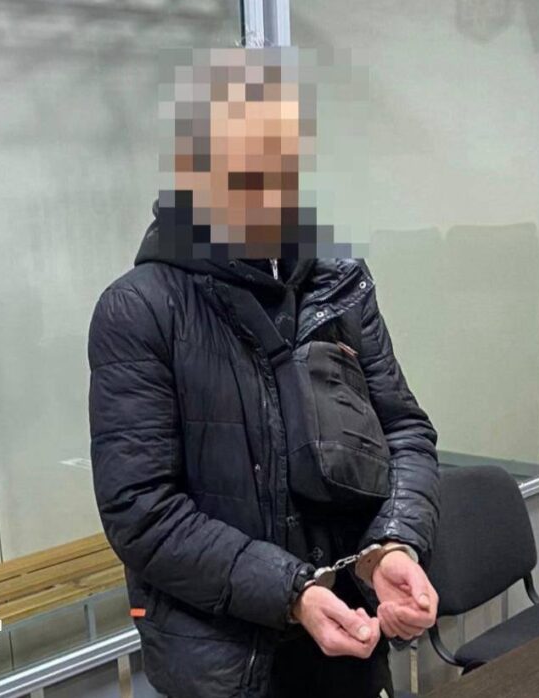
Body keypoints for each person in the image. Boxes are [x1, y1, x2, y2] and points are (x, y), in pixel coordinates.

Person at [89, 48, 439, 698]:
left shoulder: (339, 286)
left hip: (351, 641)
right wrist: (293, 592)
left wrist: (391, 546)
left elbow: (405, 433)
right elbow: (140, 510)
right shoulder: (140, 309)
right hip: (225, 665)